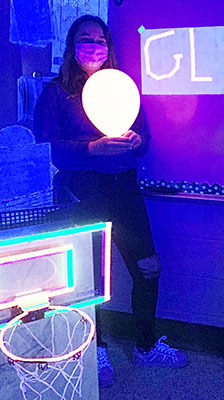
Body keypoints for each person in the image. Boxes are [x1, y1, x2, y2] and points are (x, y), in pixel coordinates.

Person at [33, 15, 188, 388]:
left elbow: (145, 137)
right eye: (86, 39)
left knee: (148, 267)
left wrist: (138, 142)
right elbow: (46, 150)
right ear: (72, 46)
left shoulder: (122, 87)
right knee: (90, 278)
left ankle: (146, 347)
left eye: (101, 40)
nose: (95, 46)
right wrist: (90, 149)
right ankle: (95, 350)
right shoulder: (56, 93)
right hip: (83, 191)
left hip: (124, 188)